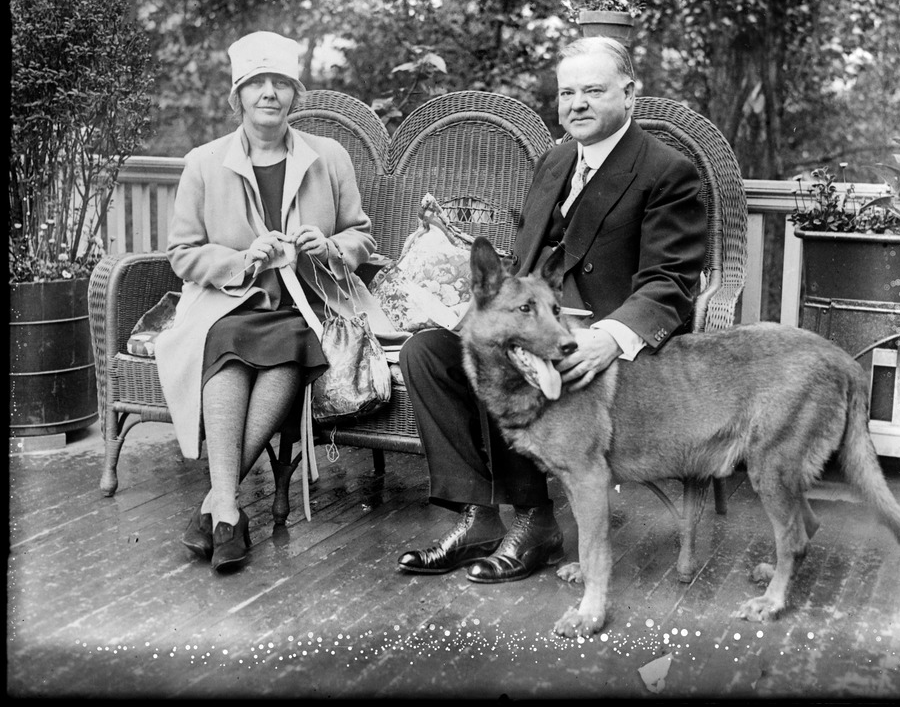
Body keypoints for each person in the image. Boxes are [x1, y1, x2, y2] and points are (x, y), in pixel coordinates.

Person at [396, 36, 707, 584]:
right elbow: (524, 263)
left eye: (593, 90)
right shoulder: (556, 160)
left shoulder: (666, 172)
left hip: (601, 347)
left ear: (629, 94)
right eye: (568, 92)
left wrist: (611, 336)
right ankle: (481, 515)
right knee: (429, 354)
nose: (577, 104)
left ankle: (537, 522)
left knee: (524, 371)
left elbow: (670, 282)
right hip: (534, 326)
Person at [155, 31, 406, 573]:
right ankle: (226, 507)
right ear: (238, 95)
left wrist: (332, 245)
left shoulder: (329, 157)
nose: (268, 93)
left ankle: (219, 508)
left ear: (295, 94)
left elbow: (362, 236)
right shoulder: (204, 162)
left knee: (293, 341)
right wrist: (243, 259)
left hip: (309, 305)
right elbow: (182, 253)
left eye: (280, 84)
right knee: (226, 339)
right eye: (256, 83)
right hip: (228, 302)